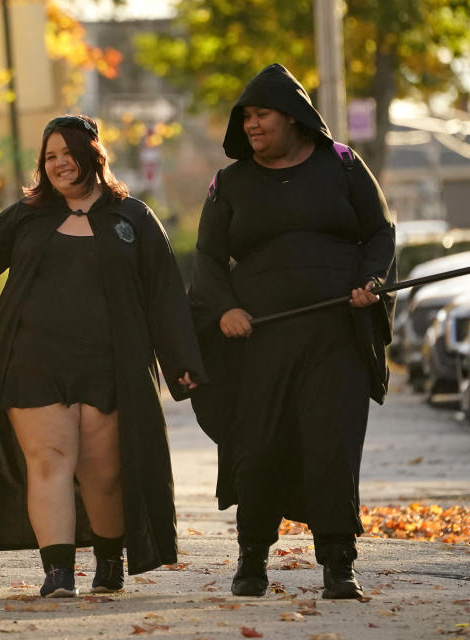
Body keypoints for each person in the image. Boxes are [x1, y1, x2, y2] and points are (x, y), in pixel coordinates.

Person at [0, 114, 206, 598]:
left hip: (109, 363)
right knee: (48, 460)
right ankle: (58, 573)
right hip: (31, 358)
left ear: (92, 155)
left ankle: (109, 557)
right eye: (50, 157)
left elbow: (164, 295)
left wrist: (183, 363)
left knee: (102, 470)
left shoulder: (131, 217)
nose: (58, 164)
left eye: (68, 154)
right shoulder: (26, 216)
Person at [188, 64, 396, 600]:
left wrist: (371, 283)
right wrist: (225, 309)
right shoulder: (230, 183)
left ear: (294, 118)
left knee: (332, 445)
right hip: (260, 340)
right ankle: (252, 560)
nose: (251, 125)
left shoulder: (344, 165)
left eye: (261, 114)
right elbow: (208, 259)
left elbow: (379, 234)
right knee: (258, 447)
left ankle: (337, 564)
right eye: (246, 117)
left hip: (336, 335)